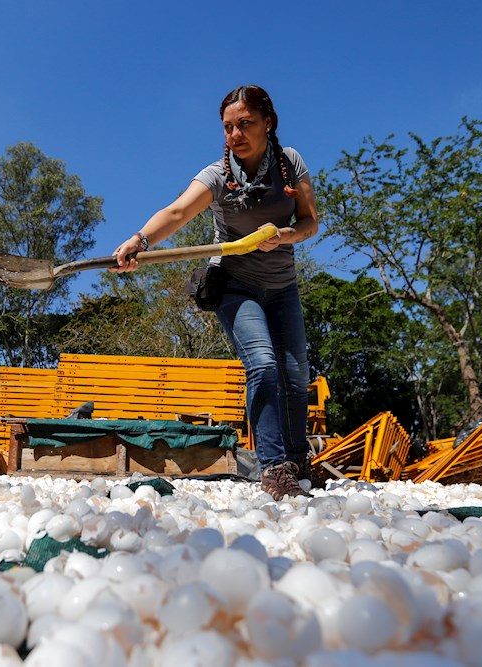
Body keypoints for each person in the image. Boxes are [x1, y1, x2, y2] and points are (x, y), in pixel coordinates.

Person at [111, 84, 319, 499]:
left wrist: (285, 236)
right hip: (235, 285)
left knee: (296, 377)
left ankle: (299, 462)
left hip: (282, 287)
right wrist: (140, 240)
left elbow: (309, 222)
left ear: (268, 123)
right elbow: (177, 212)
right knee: (263, 366)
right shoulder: (217, 176)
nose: (235, 135)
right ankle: (274, 467)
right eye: (228, 127)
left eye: (245, 124)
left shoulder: (289, 163)